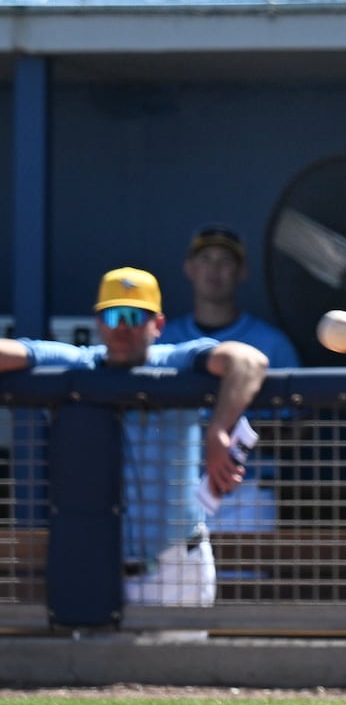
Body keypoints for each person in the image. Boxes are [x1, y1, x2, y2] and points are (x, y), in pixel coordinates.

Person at [0, 267, 268, 607]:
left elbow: (249, 362)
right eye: (112, 315)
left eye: (133, 315)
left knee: (185, 662)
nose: (122, 327)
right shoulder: (80, 362)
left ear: (157, 324)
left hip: (175, 562)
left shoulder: (176, 360)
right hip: (99, 565)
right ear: (99, 322)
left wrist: (219, 430)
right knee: (93, 659)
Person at [160, 224, 300, 368]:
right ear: (189, 268)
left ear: (242, 272)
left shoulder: (274, 345)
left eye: (225, 260)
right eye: (205, 258)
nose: (214, 269)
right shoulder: (161, 340)